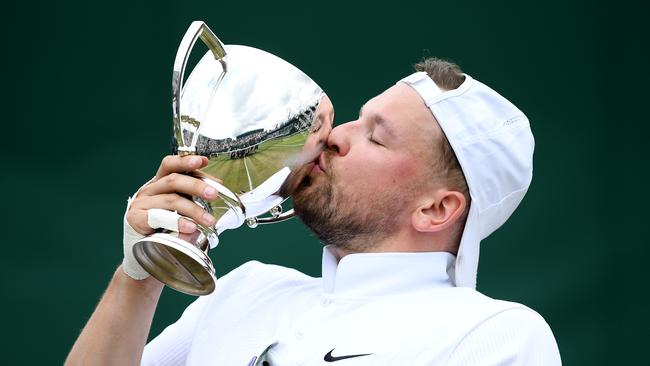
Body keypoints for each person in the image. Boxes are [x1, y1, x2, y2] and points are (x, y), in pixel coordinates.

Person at [66, 58, 561, 365]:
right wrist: (142, 271)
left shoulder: (496, 335)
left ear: (437, 209)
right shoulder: (244, 290)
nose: (335, 136)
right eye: (356, 119)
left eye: (376, 136)